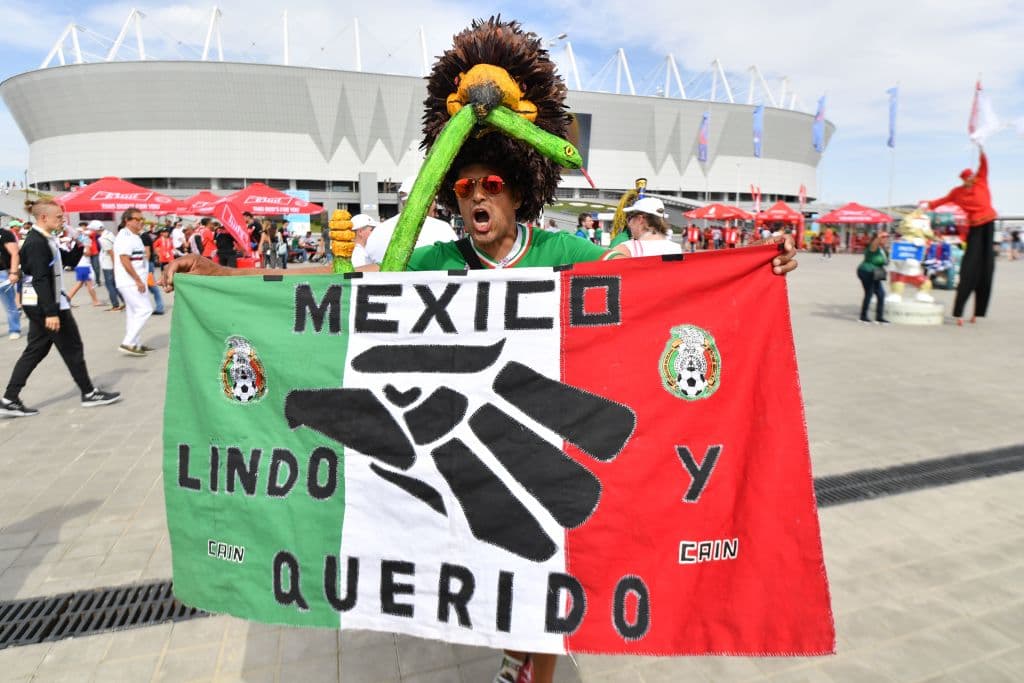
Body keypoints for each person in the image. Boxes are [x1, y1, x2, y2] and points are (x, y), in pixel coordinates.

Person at [160, 17, 797, 683]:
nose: (477, 193)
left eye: (491, 182)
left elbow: (655, 289)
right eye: (463, 186)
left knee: (540, 592)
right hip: (455, 458)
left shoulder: (566, 254)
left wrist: (759, 267)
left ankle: (530, 664)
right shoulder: (431, 259)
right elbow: (339, 301)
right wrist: (218, 280)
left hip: (551, 454)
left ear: (519, 190)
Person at [1, 199, 121, 417]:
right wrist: (51, 312)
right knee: (72, 347)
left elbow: (68, 260)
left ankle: (10, 398)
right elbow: (39, 280)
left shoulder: (46, 239)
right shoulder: (36, 243)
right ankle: (89, 393)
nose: (62, 220)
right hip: (46, 304)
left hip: (44, 303)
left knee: (36, 350)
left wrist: (80, 243)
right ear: (43, 217)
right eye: (58, 217)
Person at [923, 147, 997, 325]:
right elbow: (943, 200)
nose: (971, 179)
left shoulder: (981, 181)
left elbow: (984, 164)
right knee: (969, 268)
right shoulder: (957, 192)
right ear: (963, 180)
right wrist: (928, 205)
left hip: (989, 225)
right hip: (975, 229)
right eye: (968, 178)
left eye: (972, 176)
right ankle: (959, 311)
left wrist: (981, 148)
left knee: (987, 268)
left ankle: (977, 312)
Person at [364, 176, 457, 265]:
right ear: (428, 199)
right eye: (434, 200)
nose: (435, 205)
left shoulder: (379, 230)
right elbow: (458, 264)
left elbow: (369, 268)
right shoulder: (441, 229)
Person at [113, 208, 154, 355]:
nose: (140, 222)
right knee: (145, 309)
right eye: (137, 219)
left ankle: (135, 343)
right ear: (127, 221)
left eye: (142, 219)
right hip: (130, 281)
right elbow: (124, 259)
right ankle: (128, 342)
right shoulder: (125, 236)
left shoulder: (134, 236)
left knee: (133, 313)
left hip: (134, 280)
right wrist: (137, 280)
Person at [612, 197, 680, 258]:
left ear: (640, 219)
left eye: (629, 218)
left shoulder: (626, 249)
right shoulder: (676, 248)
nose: (629, 223)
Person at [856, 231, 890, 324]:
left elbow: (886, 261)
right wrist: (878, 237)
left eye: (887, 237)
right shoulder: (873, 246)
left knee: (881, 294)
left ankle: (879, 317)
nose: (886, 239)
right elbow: (874, 245)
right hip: (866, 271)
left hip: (876, 272)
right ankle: (863, 316)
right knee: (869, 293)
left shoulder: (882, 249)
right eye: (884, 237)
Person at [67, 225, 102, 307]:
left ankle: (67, 299)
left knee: (80, 284)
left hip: (80, 265)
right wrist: (90, 249)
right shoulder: (83, 243)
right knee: (89, 284)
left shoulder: (75, 243)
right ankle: (95, 301)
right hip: (84, 265)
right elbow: (87, 253)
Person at [1, 220, 21, 339]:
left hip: (3, 273)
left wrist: (13, 272)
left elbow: (15, 253)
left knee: (9, 304)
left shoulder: (5, 234)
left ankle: (14, 329)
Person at [96, 220, 123, 311]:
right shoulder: (110, 234)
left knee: (110, 285)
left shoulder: (103, 239)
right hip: (112, 264)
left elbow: (111, 253)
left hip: (108, 265)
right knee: (115, 284)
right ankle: (125, 302)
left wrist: (115, 267)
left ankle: (115, 305)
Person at [139, 223, 166, 315]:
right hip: (147, 264)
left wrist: (144, 266)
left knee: (151, 286)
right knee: (149, 286)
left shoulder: (144, 237)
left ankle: (159, 307)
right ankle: (157, 306)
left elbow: (148, 252)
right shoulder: (144, 236)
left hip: (147, 265)